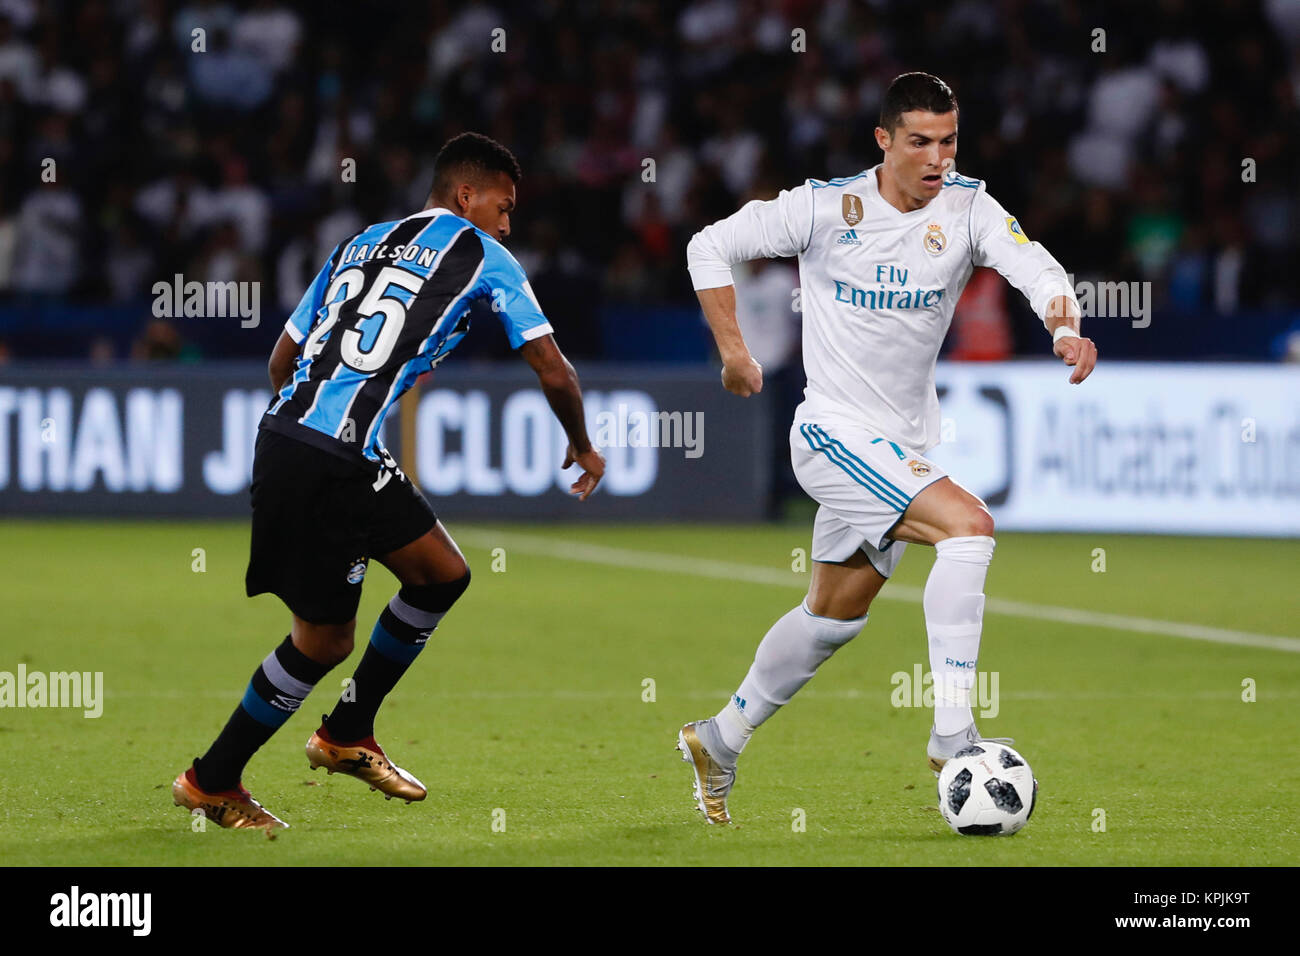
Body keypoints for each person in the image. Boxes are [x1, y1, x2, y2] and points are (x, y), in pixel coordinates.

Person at [677, 73, 1097, 824]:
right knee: (968, 529)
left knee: (833, 616)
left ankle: (720, 737)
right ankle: (952, 734)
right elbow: (708, 246)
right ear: (884, 140)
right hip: (831, 432)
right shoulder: (823, 207)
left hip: (899, 444)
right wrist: (736, 353)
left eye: (949, 141)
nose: (938, 157)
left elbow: (1036, 268)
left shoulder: (969, 207)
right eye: (920, 142)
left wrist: (1064, 325)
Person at [173, 132, 605, 831]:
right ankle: (212, 780)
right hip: (330, 459)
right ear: (467, 194)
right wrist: (582, 445)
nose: (508, 220)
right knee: (323, 642)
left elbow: (282, 355)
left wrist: (316, 420)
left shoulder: (360, 242)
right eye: (504, 203)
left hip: (300, 438)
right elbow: (554, 368)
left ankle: (348, 730)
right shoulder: (483, 255)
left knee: (440, 573)